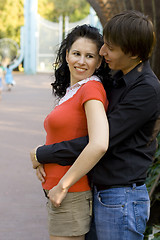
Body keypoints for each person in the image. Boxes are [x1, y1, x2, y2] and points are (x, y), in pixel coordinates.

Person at [31, 10, 160, 240]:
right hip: (101, 193)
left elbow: (101, 141)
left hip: (122, 198)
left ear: (131, 52)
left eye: (109, 47)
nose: (102, 52)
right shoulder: (116, 80)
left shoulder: (146, 90)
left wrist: (45, 154)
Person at [30, 24, 111, 240]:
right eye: (76, 53)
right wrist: (40, 157)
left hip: (69, 194)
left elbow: (99, 143)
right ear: (67, 55)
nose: (81, 61)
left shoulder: (91, 89)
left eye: (89, 56)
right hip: (59, 193)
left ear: (99, 61)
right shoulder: (73, 90)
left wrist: (63, 186)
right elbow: (67, 135)